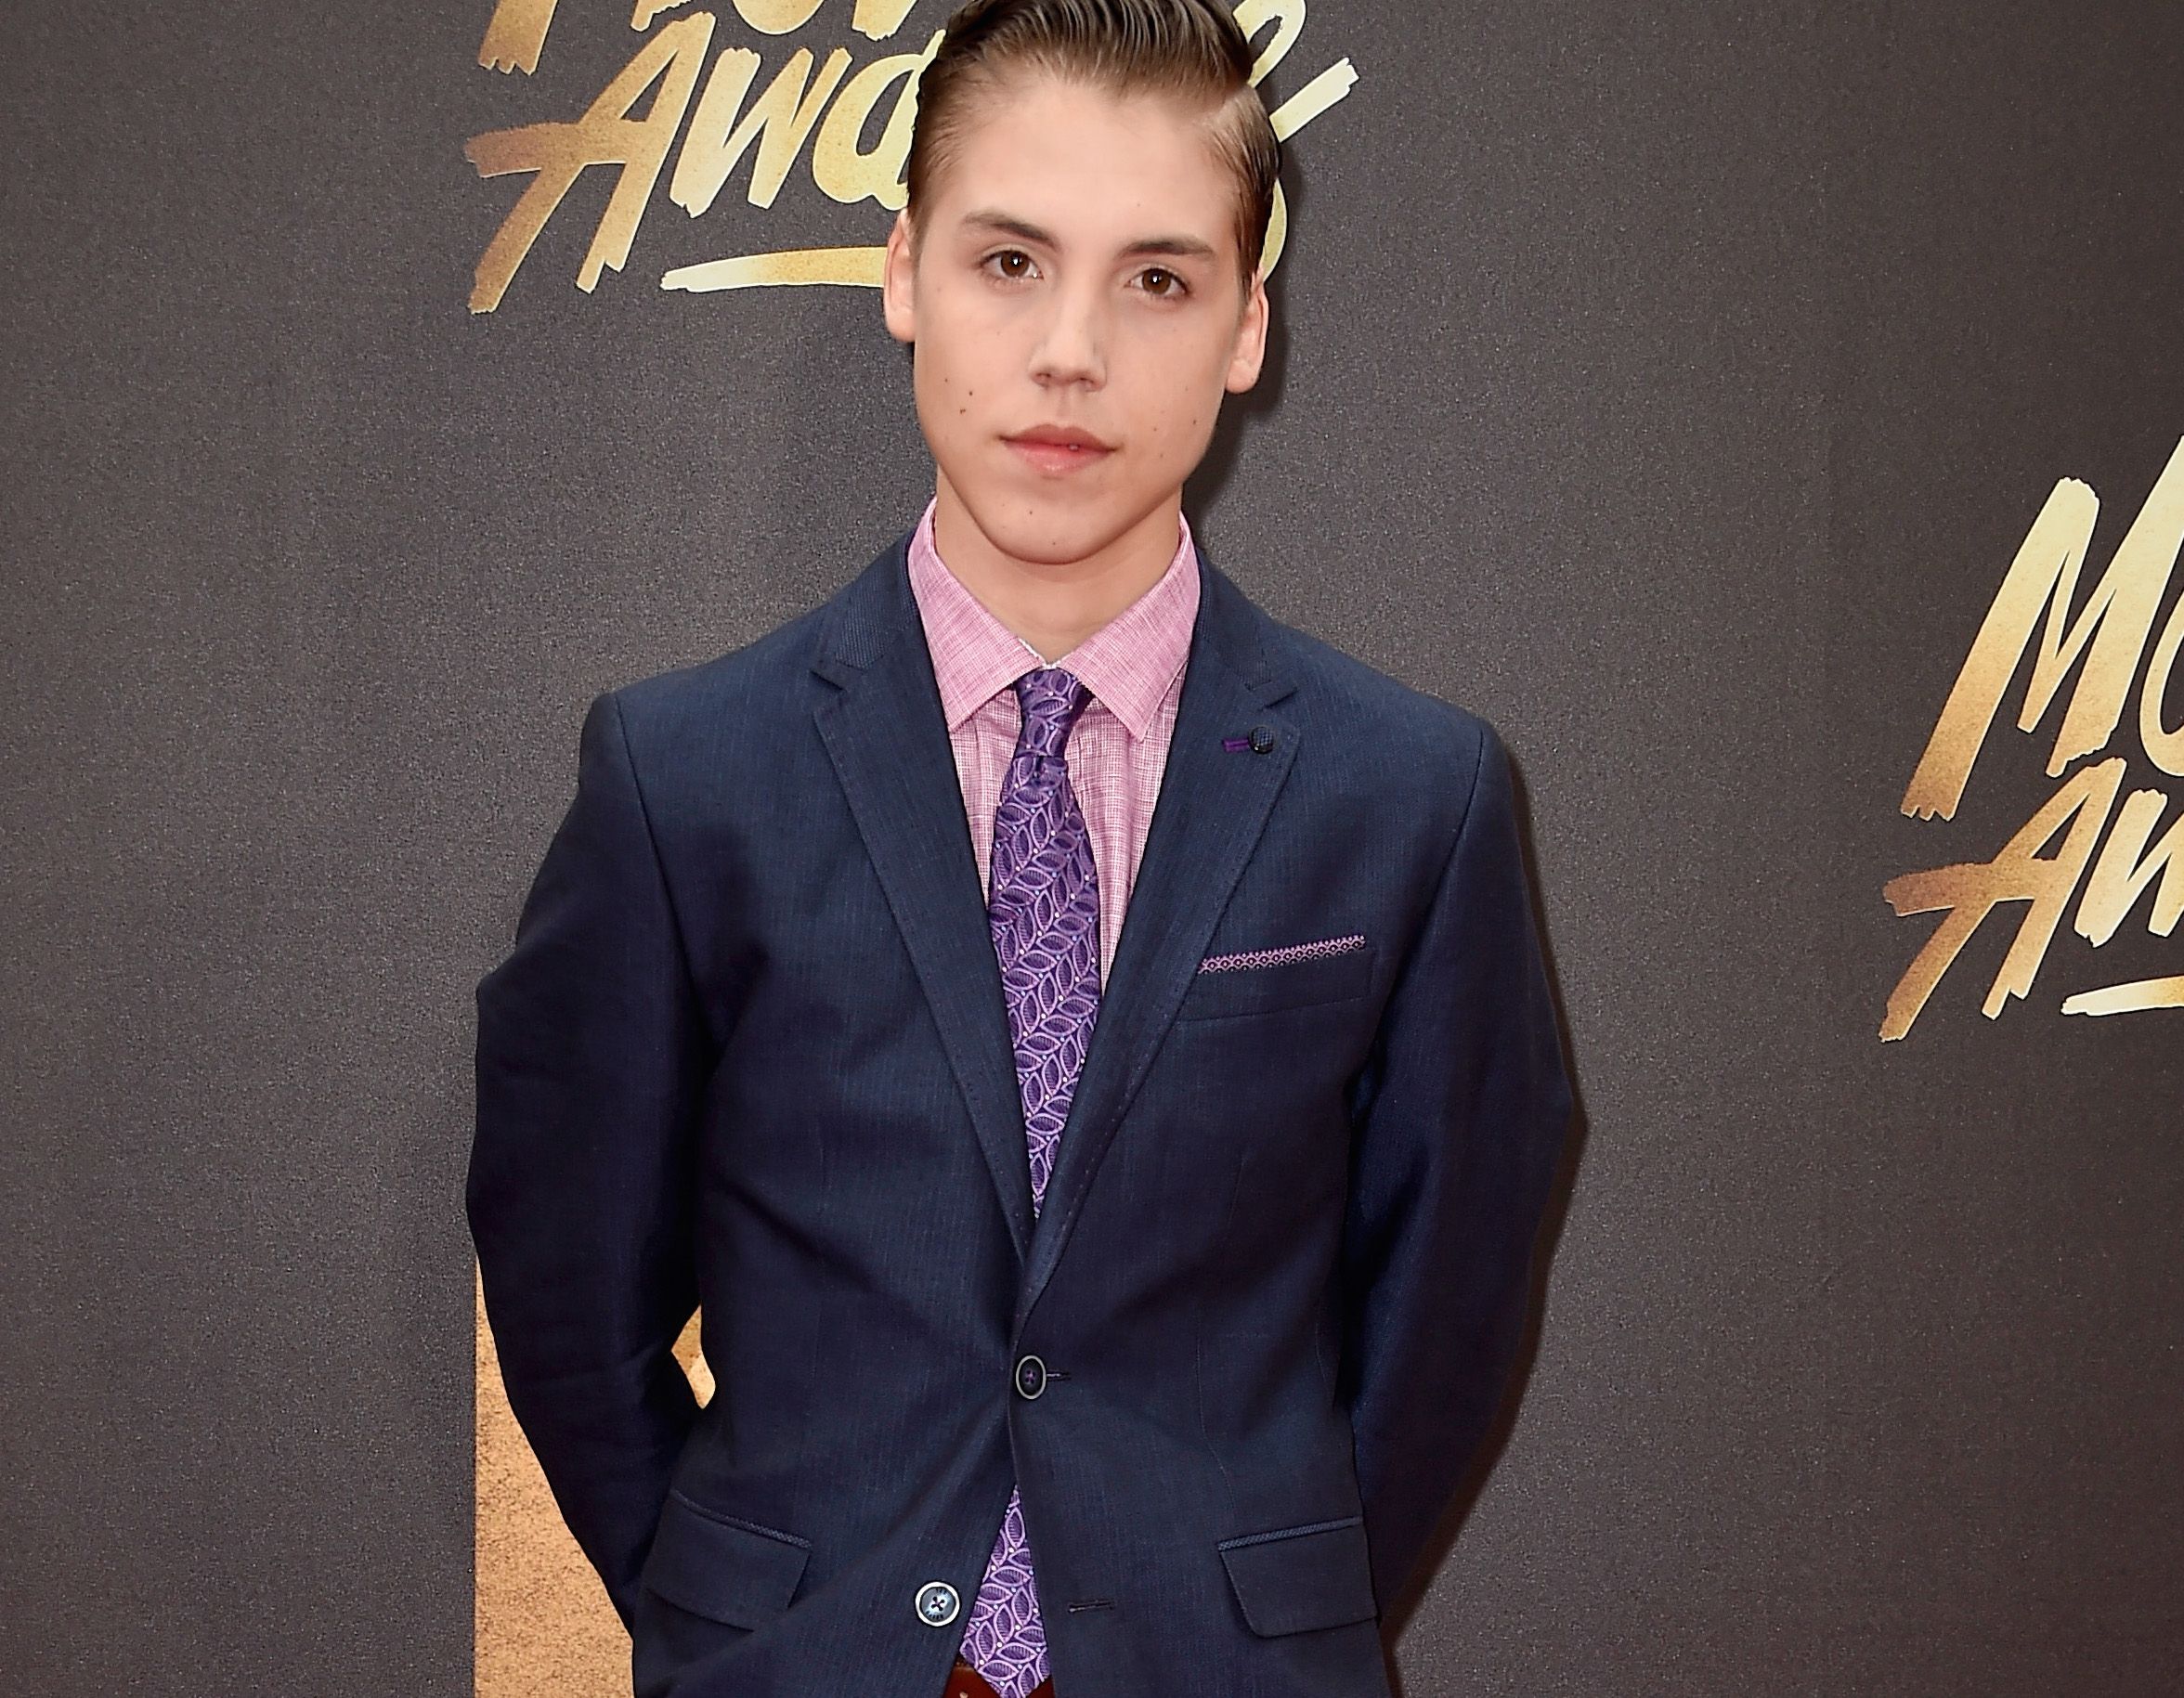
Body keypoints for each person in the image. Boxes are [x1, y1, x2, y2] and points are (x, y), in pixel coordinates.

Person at [466, 2, 1574, 1694]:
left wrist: (1258, 1613)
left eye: (1157, 279)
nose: (1071, 352)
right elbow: (565, 1284)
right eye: (1009, 262)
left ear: (1247, 324)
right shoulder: (684, 778)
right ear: (902, 272)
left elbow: (1450, 1313)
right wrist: (738, 1614)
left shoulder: (1412, 798)